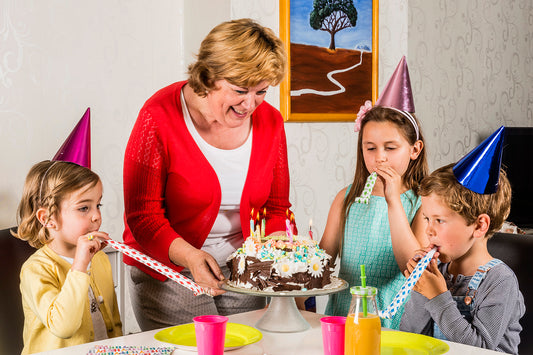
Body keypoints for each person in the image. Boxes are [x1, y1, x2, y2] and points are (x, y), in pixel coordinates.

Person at [123, 18, 294, 330]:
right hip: (170, 269)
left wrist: (278, 244)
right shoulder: (158, 116)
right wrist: (190, 258)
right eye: (240, 90)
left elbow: (276, 208)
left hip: (242, 266)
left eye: (261, 92)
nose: (250, 104)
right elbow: (143, 217)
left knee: (246, 349)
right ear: (208, 75)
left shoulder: (271, 122)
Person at [320, 57, 429, 329]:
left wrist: (393, 201)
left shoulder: (423, 203)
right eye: (370, 148)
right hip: (344, 315)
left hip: (394, 318)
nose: (379, 158)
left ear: (414, 150)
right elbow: (322, 261)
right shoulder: (346, 198)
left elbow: (413, 268)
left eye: (390, 148)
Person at [400, 132, 525, 353]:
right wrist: (420, 288)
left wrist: (437, 296)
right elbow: (411, 337)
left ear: (479, 226)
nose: (428, 230)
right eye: (427, 218)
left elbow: (479, 349)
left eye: (439, 220)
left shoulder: (499, 282)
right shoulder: (439, 270)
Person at [14, 160, 122, 354]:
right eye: (84, 208)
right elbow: (64, 327)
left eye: (98, 204)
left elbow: (114, 324)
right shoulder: (35, 270)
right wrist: (80, 265)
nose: (97, 215)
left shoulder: (100, 260)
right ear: (48, 218)